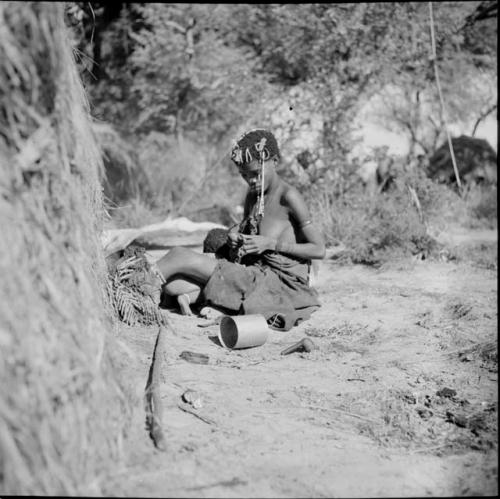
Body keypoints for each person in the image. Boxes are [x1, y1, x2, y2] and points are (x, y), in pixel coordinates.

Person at [156, 128, 325, 330]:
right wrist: (236, 235)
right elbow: (248, 226)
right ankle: (203, 299)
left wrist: (272, 244)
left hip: (278, 286)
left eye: (256, 173)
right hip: (252, 274)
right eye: (244, 175)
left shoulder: (289, 197)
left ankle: (128, 288)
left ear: (274, 161)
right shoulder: (254, 194)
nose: (251, 181)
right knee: (172, 285)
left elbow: (319, 249)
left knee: (178, 256)